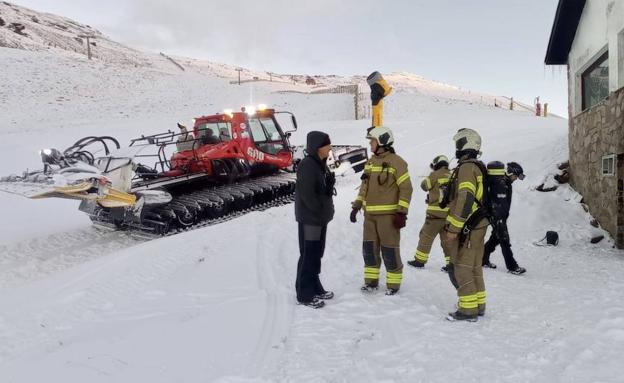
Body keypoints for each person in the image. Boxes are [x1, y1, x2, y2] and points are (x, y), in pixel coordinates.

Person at [350, 126, 413, 295]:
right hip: (369, 216)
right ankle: (371, 282)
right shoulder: (370, 162)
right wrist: (356, 206)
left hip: (388, 218)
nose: (370, 144)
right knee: (369, 250)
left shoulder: (397, 162)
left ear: (382, 142)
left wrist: (401, 212)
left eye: (372, 141)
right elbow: (364, 187)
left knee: (389, 250)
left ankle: (393, 285)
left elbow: (406, 188)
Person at [443, 128, 488, 322]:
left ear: (466, 144)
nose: (456, 148)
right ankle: (479, 305)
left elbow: (465, 199)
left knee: (461, 267)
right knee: (474, 266)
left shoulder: (467, 168)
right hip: (478, 225)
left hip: (469, 226)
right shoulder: (476, 166)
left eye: (459, 143)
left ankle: (468, 310)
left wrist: (454, 229)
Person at [294, 131, 336, 309]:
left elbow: (321, 190)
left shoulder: (320, 164)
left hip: (319, 219)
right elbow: (307, 195)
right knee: (308, 254)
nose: (330, 147)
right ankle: (304, 293)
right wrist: (320, 209)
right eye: (327, 145)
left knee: (316, 253)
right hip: (311, 218)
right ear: (318, 147)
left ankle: (315, 286)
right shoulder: (308, 165)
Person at [408, 155, 453, 271]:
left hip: (435, 215)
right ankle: (451, 264)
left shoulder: (435, 174)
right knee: (447, 241)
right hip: (449, 215)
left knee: (425, 237)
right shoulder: (453, 175)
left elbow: (424, 186)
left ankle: (419, 261)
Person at [482, 161, 527, 275]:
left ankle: (482, 259)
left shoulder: (505, 182)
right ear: (510, 172)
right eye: (516, 176)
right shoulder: (500, 183)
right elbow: (498, 204)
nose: (516, 179)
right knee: (504, 240)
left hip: (500, 216)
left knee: (495, 239)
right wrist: (499, 219)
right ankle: (512, 266)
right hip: (497, 216)